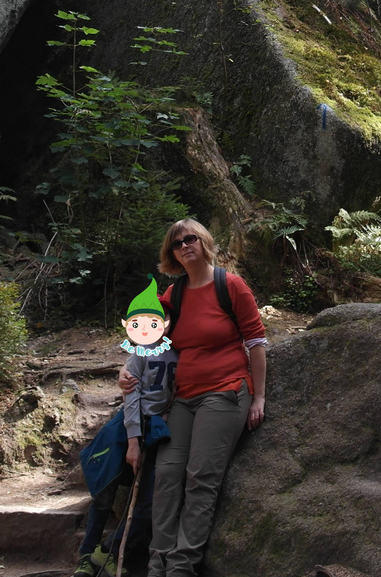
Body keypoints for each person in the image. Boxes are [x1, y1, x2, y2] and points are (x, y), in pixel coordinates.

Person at [123, 220, 266, 577]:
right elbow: (146, 336)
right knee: (168, 477)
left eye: (191, 239)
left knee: (201, 478)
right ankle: (158, 565)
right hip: (184, 399)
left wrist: (259, 396)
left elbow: (256, 343)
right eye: (177, 243)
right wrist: (124, 371)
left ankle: (181, 568)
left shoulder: (230, 285)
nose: (185, 246)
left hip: (226, 391)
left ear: (204, 243)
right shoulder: (175, 294)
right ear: (171, 253)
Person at [75, 279, 177, 577]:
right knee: (105, 486)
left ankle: (107, 551)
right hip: (130, 426)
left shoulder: (183, 353)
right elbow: (131, 396)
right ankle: (86, 555)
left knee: (147, 499)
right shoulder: (141, 353)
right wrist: (133, 440)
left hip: (159, 430)